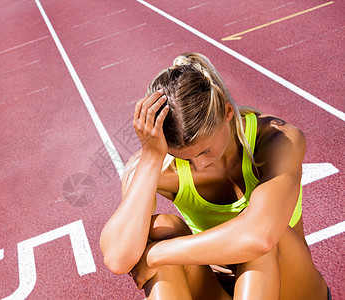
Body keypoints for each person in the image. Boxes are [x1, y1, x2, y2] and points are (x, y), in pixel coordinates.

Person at [99, 53, 330, 299]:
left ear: (228, 111)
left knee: (259, 229)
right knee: (159, 229)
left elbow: (259, 237)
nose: (199, 166)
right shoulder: (163, 166)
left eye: (206, 151)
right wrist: (151, 158)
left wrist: (157, 254)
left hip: (292, 288)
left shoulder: (276, 139)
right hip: (220, 290)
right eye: (185, 158)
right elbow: (117, 258)